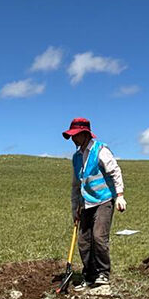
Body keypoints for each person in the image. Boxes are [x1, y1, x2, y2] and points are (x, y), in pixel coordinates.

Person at [63, 117, 126, 289]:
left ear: (85, 134)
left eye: (76, 135)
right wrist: (75, 208)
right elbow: (76, 185)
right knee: (84, 241)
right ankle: (89, 275)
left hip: (104, 200)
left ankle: (103, 273)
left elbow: (115, 172)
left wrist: (119, 195)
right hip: (85, 203)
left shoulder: (101, 150)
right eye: (72, 136)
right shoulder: (76, 157)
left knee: (99, 237)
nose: (73, 139)